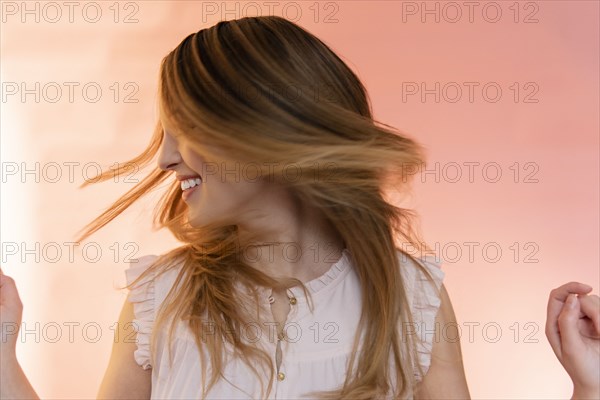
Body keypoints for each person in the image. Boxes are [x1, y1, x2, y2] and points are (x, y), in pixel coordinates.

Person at [0, 16, 598, 400]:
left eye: (185, 129)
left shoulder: (412, 295)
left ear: (266, 136)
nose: (165, 159)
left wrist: (588, 386)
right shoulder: (161, 296)